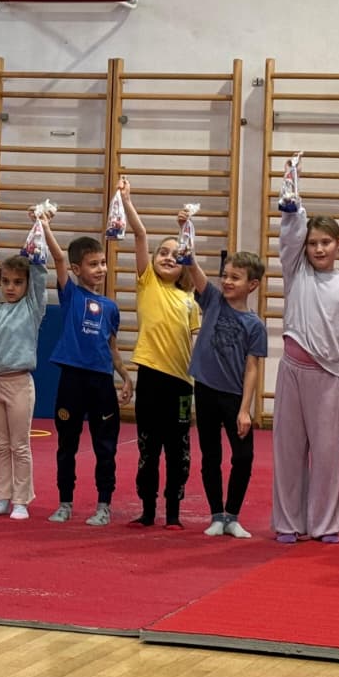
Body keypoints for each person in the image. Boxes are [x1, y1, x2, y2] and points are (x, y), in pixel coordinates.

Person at [271, 178, 339, 544]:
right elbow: (289, 238)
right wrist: (293, 207)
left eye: (325, 242)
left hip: (329, 377)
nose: (318, 248)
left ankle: (326, 523)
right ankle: (288, 522)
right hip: (292, 372)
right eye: (312, 243)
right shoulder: (296, 271)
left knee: (328, 455)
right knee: (288, 452)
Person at [115, 179, 201, 529]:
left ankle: (174, 512)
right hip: (150, 378)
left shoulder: (189, 300)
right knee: (148, 448)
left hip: (181, 384)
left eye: (175, 255)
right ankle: (148, 509)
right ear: (152, 261)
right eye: (162, 253)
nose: (167, 257)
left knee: (178, 450)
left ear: (185, 264)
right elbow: (140, 234)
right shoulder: (147, 282)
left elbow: (197, 342)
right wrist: (127, 201)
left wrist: (186, 231)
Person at [42, 211, 132, 526]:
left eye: (103, 263)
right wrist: (45, 225)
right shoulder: (70, 294)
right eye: (93, 264)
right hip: (72, 379)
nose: (101, 269)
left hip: (102, 383)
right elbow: (58, 257)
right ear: (77, 269)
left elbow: (112, 348)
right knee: (67, 444)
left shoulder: (111, 307)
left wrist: (125, 376)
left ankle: (103, 505)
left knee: (105, 447)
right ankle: (64, 503)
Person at [180, 249, 267, 539]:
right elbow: (194, 270)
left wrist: (245, 409)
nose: (227, 281)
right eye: (225, 276)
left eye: (235, 278)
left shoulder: (255, 325)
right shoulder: (213, 300)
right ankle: (216, 515)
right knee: (211, 455)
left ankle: (233, 515)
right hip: (206, 389)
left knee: (243, 456)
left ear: (252, 284)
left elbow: (252, 369)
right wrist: (186, 239)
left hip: (234, 396)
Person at [0, 246, 49, 520]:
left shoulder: (32, 308)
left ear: (27, 284)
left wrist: (36, 250)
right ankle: (2, 497)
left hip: (20, 383)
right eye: (5, 281)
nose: (11, 287)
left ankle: (21, 500)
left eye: (17, 282)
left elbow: (40, 279)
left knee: (20, 445)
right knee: (1, 445)